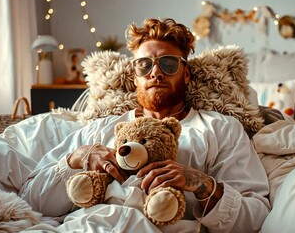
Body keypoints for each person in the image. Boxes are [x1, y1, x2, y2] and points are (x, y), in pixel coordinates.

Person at [19, 18, 271, 232]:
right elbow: (31, 201)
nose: (156, 72)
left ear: (185, 73)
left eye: (168, 63)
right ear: (134, 74)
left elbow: (257, 216)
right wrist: (76, 158)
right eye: (144, 65)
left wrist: (202, 184)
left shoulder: (220, 129)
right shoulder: (101, 129)